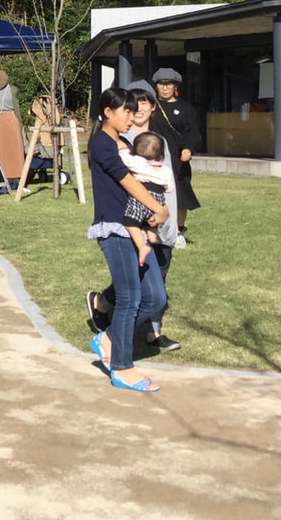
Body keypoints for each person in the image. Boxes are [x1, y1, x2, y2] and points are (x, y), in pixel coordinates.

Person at [87, 80, 182, 352]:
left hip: (136, 226)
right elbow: (127, 180)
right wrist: (158, 208)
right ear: (108, 112)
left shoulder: (125, 145)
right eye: (126, 111)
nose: (132, 116)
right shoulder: (102, 142)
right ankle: (118, 357)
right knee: (130, 297)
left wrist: (156, 212)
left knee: (155, 298)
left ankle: (109, 339)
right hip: (115, 227)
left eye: (134, 110)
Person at [151, 68, 201, 246]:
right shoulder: (151, 106)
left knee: (181, 196)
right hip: (154, 158)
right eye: (161, 84)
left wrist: (189, 148)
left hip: (178, 160)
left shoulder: (185, 108)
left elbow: (192, 132)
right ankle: (155, 229)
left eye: (169, 84)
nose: (165, 88)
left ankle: (178, 230)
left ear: (175, 87)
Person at [119, 132, 175, 267]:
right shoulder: (164, 169)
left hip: (141, 197)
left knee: (131, 222)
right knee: (152, 221)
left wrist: (122, 149)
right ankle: (152, 235)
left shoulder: (138, 162)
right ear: (161, 155)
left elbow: (125, 159)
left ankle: (142, 245)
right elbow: (169, 188)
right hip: (158, 198)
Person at [0, 70, 25, 182]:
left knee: (14, 148)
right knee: (0, 150)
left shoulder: (12, 90)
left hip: (8, 120)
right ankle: (2, 174)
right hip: (1, 120)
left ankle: (17, 175)